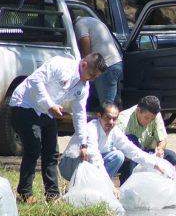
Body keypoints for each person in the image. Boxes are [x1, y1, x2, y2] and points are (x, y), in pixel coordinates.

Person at [9, 53, 106, 203]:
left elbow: (79, 114)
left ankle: (52, 195)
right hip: (24, 104)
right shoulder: (60, 65)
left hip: (46, 111)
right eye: (91, 75)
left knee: (52, 152)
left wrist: (83, 143)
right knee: (33, 149)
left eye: (95, 77)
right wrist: (50, 105)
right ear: (84, 64)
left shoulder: (83, 86)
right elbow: (35, 80)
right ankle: (24, 194)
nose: (92, 79)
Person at [59, 103, 166, 180]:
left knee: (118, 155)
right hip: (70, 164)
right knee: (92, 159)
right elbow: (95, 158)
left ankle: (97, 188)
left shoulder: (114, 131)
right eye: (108, 118)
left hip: (91, 164)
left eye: (114, 119)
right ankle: (82, 188)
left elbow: (133, 151)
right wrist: (109, 185)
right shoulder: (91, 129)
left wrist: (155, 165)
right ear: (99, 116)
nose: (111, 122)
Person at [117, 95, 176, 184]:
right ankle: (128, 186)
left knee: (171, 156)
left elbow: (162, 139)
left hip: (146, 152)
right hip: (130, 156)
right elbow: (120, 148)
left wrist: (160, 149)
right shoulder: (123, 120)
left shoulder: (155, 115)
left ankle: (158, 184)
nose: (149, 121)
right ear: (138, 110)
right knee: (131, 142)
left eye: (152, 119)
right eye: (146, 118)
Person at [74, 16, 124, 106]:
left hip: (106, 66)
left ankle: (112, 118)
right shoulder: (92, 20)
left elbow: (85, 43)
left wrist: (85, 65)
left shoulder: (80, 24)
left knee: (107, 106)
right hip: (115, 62)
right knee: (113, 101)